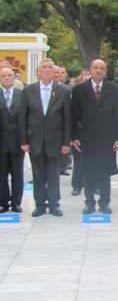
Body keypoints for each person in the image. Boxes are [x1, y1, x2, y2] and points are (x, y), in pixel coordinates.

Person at [19, 58, 72, 217]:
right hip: (34, 140)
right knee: (38, 174)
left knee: (53, 174)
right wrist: (24, 141)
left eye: (50, 67)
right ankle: (40, 204)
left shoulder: (62, 91)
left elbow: (66, 118)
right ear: (38, 72)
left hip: (55, 140)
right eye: (44, 67)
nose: (48, 70)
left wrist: (66, 142)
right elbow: (23, 117)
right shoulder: (29, 91)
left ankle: (54, 204)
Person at [71, 59, 118, 214]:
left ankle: (104, 203)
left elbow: (117, 114)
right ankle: (89, 203)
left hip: (107, 138)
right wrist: (74, 137)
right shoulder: (80, 89)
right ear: (90, 70)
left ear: (105, 72)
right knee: (88, 172)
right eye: (96, 68)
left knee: (105, 172)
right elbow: (74, 115)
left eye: (102, 68)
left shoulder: (113, 89)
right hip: (87, 137)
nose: (98, 71)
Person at [0, 68, 24, 213]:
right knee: (1, 174)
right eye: (3, 76)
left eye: (9, 75)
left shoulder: (22, 95)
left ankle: (16, 202)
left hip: (17, 141)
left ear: (14, 78)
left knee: (17, 173)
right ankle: (3, 202)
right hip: (1, 141)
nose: (6, 78)